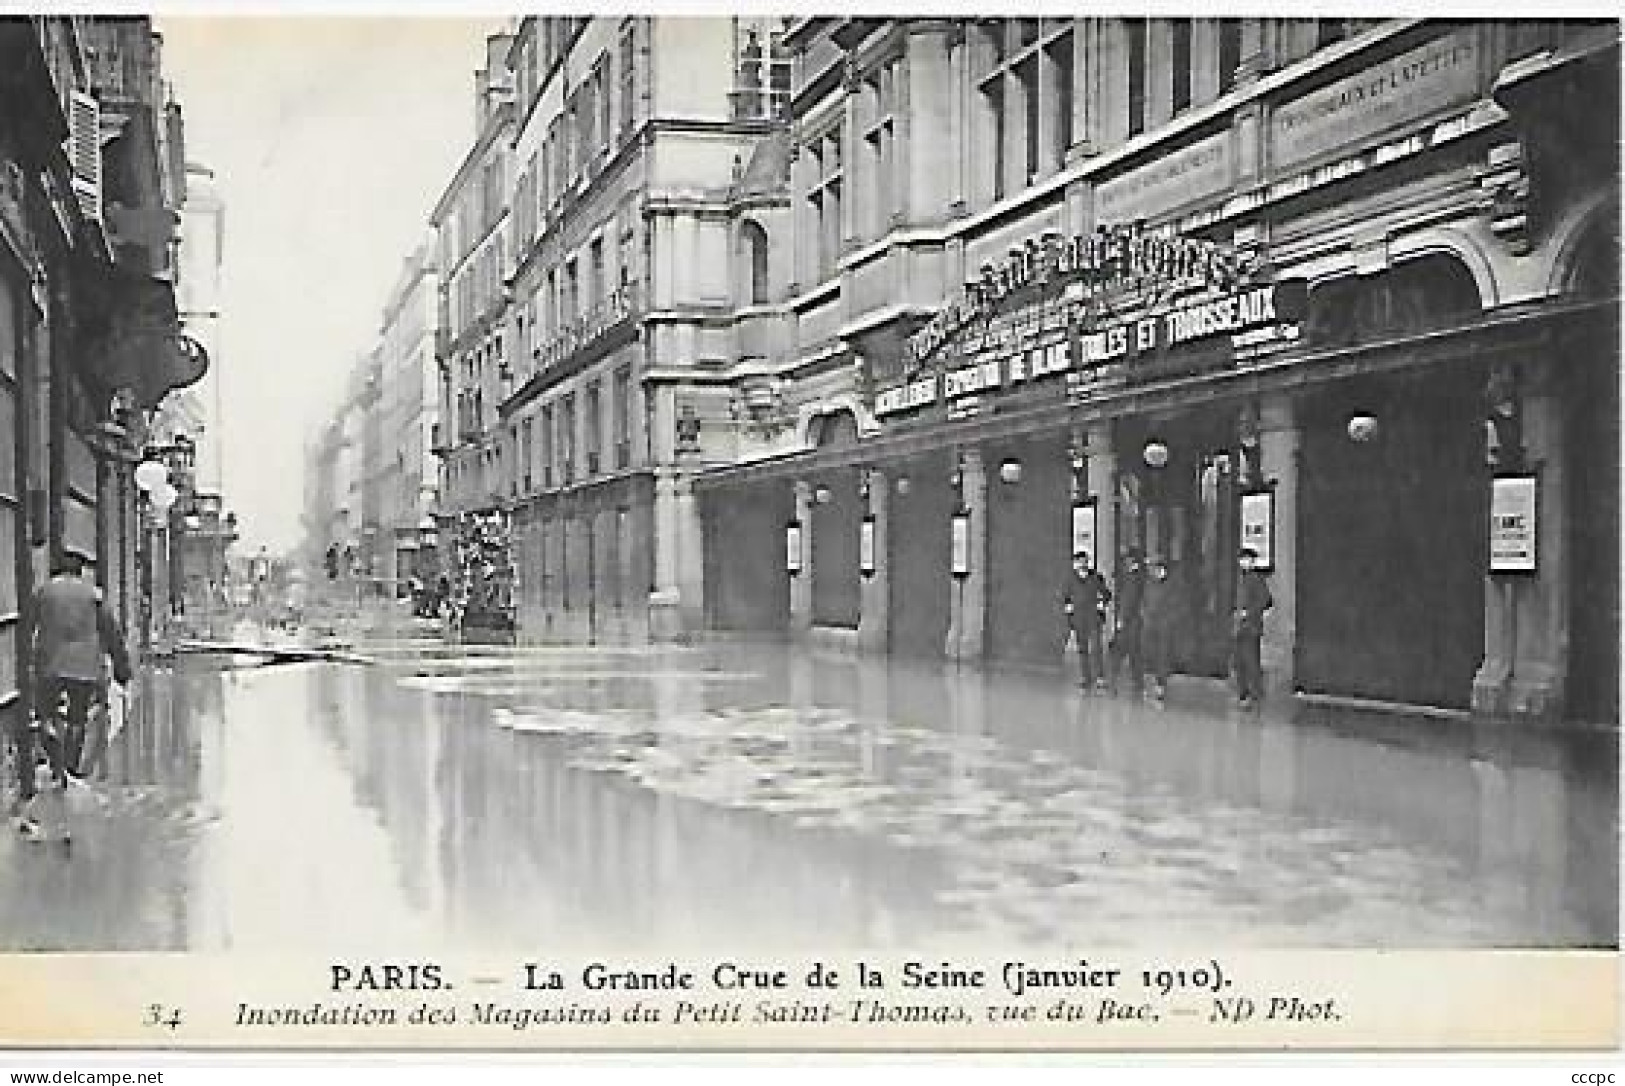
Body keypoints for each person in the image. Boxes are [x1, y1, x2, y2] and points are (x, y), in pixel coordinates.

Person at [15, 555, 133, 842]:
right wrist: (122, 668)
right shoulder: (93, 595)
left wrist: (24, 663)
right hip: (84, 667)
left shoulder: (44, 592)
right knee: (78, 716)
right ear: (80, 571)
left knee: (46, 713)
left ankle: (53, 749)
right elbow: (111, 632)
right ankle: (69, 769)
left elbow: (25, 627)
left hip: (50, 664)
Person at [1061, 552, 1112, 690]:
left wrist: (1102, 602)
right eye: (1078, 561)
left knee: (1096, 648)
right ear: (1075, 563)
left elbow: (1107, 594)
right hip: (1078, 619)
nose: (1081, 564)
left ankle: (1100, 678)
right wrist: (1068, 606)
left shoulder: (1096, 577)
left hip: (1093, 618)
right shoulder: (1070, 578)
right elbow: (1065, 595)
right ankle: (1085, 677)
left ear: (1088, 562)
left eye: (1084, 561)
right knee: (1082, 649)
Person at [1233, 547, 1273, 709]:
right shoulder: (1241, 579)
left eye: (1247, 560)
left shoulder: (1256, 578)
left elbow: (1266, 600)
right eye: (1242, 560)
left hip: (1251, 627)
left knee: (1251, 661)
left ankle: (1254, 693)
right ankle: (1243, 693)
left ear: (1252, 562)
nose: (1244, 562)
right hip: (1240, 627)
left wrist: (1249, 613)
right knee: (1239, 661)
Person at [1141, 556, 1178, 703]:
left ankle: (1161, 684)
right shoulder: (1149, 583)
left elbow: (1177, 604)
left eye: (1155, 568)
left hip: (1165, 625)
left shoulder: (1172, 584)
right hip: (1150, 624)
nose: (1152, 571)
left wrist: (1169, 619)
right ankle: (1149, 683)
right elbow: (1144, 601)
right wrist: (1144, 614)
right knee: (1149, 652)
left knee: (1163, 654)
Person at [1110, 547, 1145, 692]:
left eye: (1127, 559)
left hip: (1129, 621)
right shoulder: (1139, 576)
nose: (1125, 562)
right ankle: (1137, 682)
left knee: (1120, 651)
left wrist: (1121, 620)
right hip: (1135, 621)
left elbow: (1127, 600)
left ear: (1132, 561)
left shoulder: (1132, 577)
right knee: (1134, 652)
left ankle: (1113, 681)